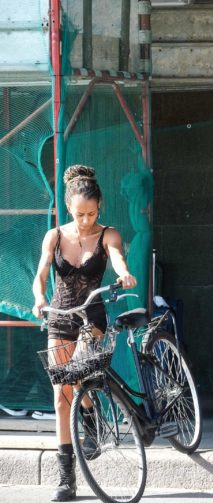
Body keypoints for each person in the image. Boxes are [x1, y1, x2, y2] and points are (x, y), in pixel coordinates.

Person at [32, 165, 137, 502]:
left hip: (91, 316)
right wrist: (39, 299)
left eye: (92, 213)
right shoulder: (55, 236)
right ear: (68, 208)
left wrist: (124, 274)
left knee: (76, 372)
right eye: (80, 214)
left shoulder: (108, 234)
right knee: (61, 397)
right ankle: (66, 478)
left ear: (100, 208)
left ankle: (89, 411)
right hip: (60, 317)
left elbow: (118, 258)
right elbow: (42, 272)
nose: (86, 220)